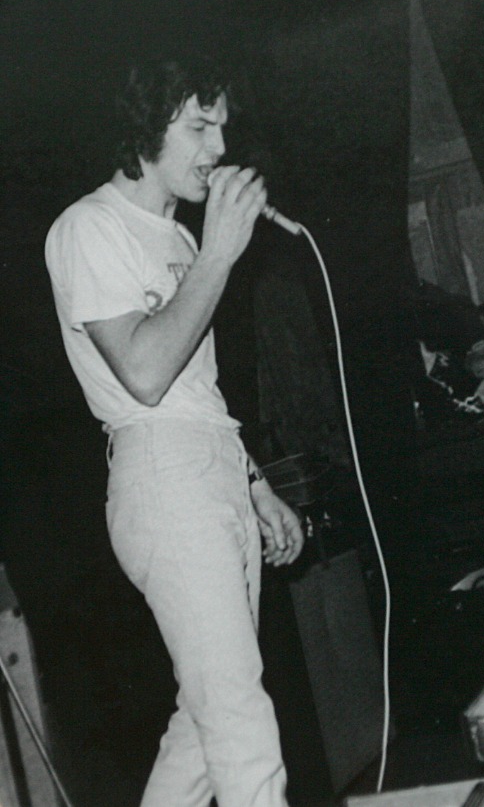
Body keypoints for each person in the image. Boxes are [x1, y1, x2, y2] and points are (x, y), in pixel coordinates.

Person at [45, 57, 304, 807]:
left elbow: (196, 391)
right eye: (199, 126)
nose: (219, 147)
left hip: (212, 465)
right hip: (162, 477)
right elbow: (145, 374)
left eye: (222, 127)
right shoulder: (88, 228)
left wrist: (254, 486)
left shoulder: (183, 243)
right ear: (145, 127)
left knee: (204, 717)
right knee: (238, 716)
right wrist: (221, 251)